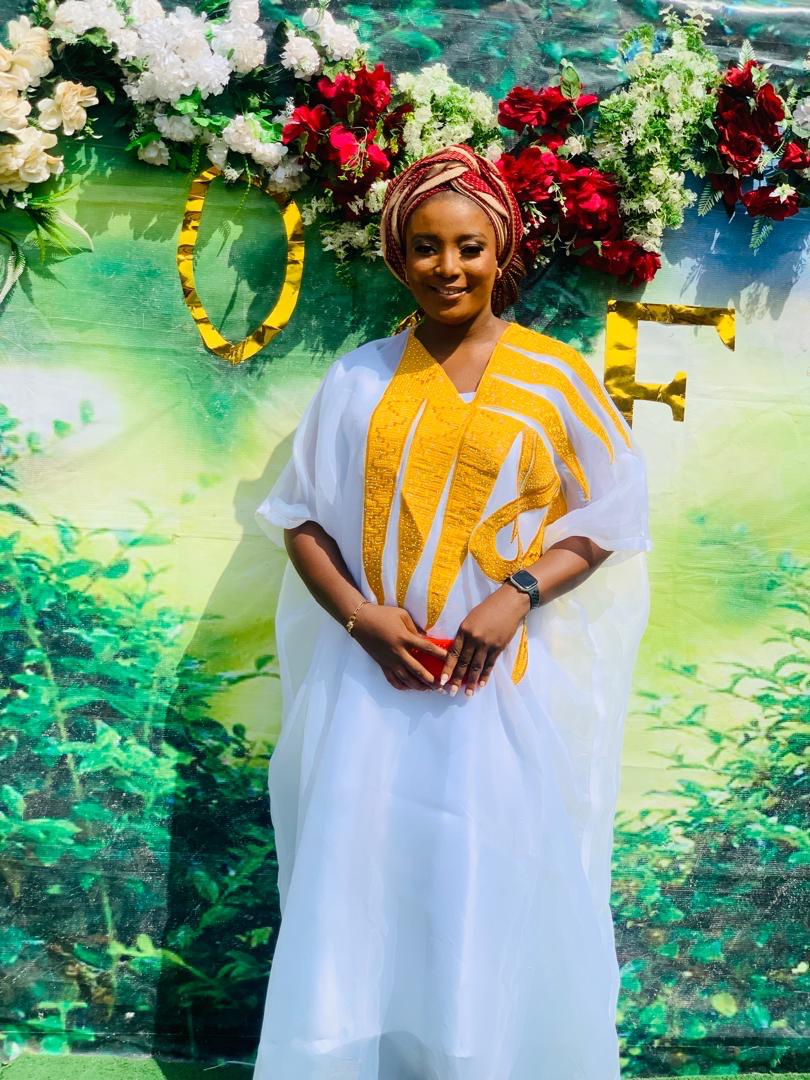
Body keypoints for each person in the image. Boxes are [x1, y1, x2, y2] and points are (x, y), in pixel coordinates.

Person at [252, 143, 652, 1080]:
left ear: (501, 249)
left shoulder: (557, 378)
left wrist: (517, 595)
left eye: (469, 246)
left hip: (502, 694)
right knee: (364, 894)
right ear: (398, 256)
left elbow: (612, 516)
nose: (448, 267)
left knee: (490, 888)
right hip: (374, 690)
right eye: (426, 247)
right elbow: (301, 519)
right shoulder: (357, 380)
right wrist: (361, 620)